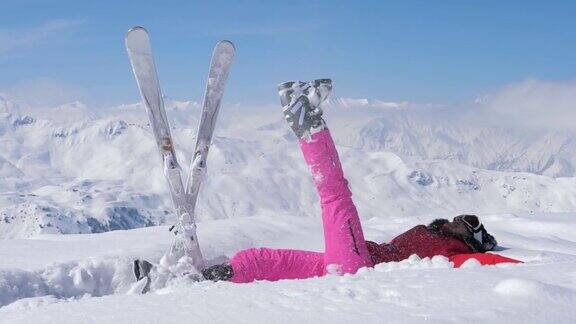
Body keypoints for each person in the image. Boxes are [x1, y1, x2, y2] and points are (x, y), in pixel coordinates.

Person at [135, 79, 521, 286]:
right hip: (351, 258)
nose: (459, 219)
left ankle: (307, 123)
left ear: (470, 238)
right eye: (463, 216)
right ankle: (186, 282)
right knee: (259, 260)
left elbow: (489, 263)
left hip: (359, 267)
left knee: (337, 197)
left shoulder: (455, 251)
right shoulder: (431, 230)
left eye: (469, 223)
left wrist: (536, 267)